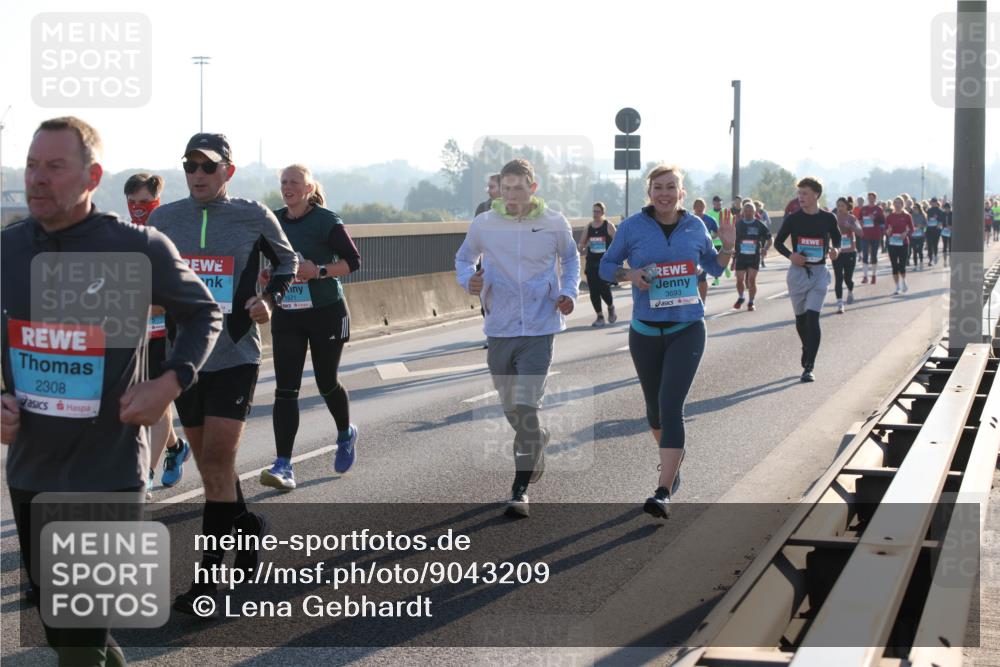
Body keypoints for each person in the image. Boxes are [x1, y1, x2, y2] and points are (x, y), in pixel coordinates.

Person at [2, 116, 221, 665]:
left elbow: (203, 314)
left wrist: (169, 382)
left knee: (78, 639)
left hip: (108, 469)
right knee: (66, 632)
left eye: (55, 167)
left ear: (92, 175)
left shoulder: (138, 247)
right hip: (31, 467)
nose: (37, 179)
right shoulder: (7, 250)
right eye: (32, 166)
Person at [149, 133, 298, 615]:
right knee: (213, 467)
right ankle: (248, 524)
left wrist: (268, 300)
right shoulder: (164, 219)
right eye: (190, 165)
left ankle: (207, 584)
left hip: (235, 356)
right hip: (184, 361)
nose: (197, 174)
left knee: (215, 463)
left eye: (207, 167)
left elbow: (288, 260)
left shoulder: (252, 215)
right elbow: (140, 272)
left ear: (227, 172)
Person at [600, 165, 736, 519]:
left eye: (671, 187)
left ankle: (663, 490)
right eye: (658, 187)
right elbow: (605, 266)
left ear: (682, 191)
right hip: (644, 331)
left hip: (687, 327)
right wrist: (629, 274)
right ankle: (674, 459)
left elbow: (715, 267)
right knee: (655, 413)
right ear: (650, 192)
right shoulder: (632, 227)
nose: (664, 193)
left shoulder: (695, 226)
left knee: (671, 405)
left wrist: (729, 247)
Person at [455, 158, 579, 518]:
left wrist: (568, 292)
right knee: (511, 405)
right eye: (506, 188)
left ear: (533, 188)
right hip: (500, 326)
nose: (511, 195)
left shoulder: (554, 223)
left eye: (518, 188)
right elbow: (464, 259)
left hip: (541, 326)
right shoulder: (485, 224)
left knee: (525, 407)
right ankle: (537, 438)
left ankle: (519, 489)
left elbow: (571, 261)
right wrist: (469, 281)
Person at [259, 164, 362, 491]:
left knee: (325, 380)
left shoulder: (325, 221)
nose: (288, 187)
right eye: (283, 182)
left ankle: (345, 433)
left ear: (308, 188)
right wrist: (268, 276)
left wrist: (316, 270)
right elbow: (268, 262)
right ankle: (284, 465)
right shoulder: (272, 221)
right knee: (285, 389)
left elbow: (353, 262)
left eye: (294, 182)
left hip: (326, 312)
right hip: (288, 313)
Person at [124, 173, 193, 500]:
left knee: (157, 401)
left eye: (144, 203)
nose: (138, 209)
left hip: (164, 334)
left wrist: (161, 304)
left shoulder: (171, 235)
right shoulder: (121, 235)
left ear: (157, 201)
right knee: (138, 405)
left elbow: (188, 286)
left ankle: (145, 478)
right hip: (130, 335)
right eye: (132, 203)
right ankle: (176, 447)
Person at [772, 177, 841, 383]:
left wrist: (836, 250)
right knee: (801, 320)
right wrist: (791, 256)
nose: (800, 198)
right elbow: (778, 242)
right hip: (797, 274)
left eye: (805, 194)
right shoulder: (793, 219)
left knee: (813, 318)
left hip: (819, 273)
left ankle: (809, 366)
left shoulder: (828, 218)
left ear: (816, 195)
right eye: (799, 193)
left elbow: (837, 238)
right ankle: (806, 346)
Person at [577, 201, 617, 326]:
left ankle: (610, 307)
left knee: (603, 287)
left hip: (604, 263)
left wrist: (614, 255)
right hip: (591, 263)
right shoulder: (589, 227)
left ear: (603, 213)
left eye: (598, 211)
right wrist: (583, 246)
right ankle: (599, 316)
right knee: (593, 290)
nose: (595, 214)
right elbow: (581, 244)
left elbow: (618, 242)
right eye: (594, 211)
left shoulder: (608, 226)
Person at [732, 199, 771, 311]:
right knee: (739, 280)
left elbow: (770, 239)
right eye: (746, 211)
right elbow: (732, 239)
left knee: (752, 279)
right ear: (743, 212)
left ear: (754, 212)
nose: (748, 213)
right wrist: (731, 251)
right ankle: (741, 297)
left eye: (750, 211)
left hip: (754, 257)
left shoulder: (759, 224)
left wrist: (765, 248)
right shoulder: (738, 225)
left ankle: (751, 302)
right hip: (741, 256)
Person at [832, 196, 862, 313]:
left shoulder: (852, 218)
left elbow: (861, 232)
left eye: (842, 206)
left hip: (850, 252)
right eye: (838, 206)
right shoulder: (833, 218)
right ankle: (840, 303)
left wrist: (851, 227)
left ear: (847, 207)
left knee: (847, 278)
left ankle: (850, 290)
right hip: (837, 252)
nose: (839, 208)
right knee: (838, 278)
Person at [885, 196, 914, 295]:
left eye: (899, 203)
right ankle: (897, 287)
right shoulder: (890, 217)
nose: (897, 205)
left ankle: (904, 281)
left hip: (903, 243)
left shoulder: (907, 216)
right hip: (892, 243)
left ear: (902, 204)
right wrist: (888, 232)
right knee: (894, 265)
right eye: (895, 203)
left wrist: (905, 233)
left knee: (902, 265)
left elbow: (911, 228)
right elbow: (886, 229)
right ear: (893, 204)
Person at [692, 198, 718, 303]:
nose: (700, 209)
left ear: (705, 207)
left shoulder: (710, 220)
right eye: (697, 207)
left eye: (702, 206)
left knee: (702, 278)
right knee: (692, 278)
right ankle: (692, 301)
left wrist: (710, 238)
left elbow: (716, 232)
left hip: (704, 253)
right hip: (691, 252)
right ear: (694, 208)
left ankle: (702, 302)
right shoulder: (689, 219)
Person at [858, 192, 886, 284]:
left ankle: (874, 275)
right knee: (865, 255)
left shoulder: (878, 209)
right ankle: (865, 276)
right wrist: (861, 223)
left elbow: (883, 222)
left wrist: (874, 218)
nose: (870, 199)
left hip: (875, 235)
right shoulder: (864, 209)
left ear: (875, 199)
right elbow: (859, 219)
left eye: (872, 197)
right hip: (865, 235)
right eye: (869, 197)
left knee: (874, 256)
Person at [925, 196, 945, 266]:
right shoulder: (928, 210)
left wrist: (939, 224)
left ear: (936, 203)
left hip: (936, 230)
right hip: (929, 230)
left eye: (934, 202)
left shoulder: (940, 211)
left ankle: (935, 255)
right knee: (929, 245)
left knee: (935, 244)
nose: (933, 203)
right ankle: (930, 259)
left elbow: (941, 221)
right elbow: (926, 219)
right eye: (932, 202)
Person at [909, 200, 927, 270]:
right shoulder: (910, 216)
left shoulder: (923, 215)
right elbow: (908, 224)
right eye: (913, 208)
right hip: (913, 236)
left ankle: (921, 263)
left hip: (920, 236)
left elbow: (926, 225)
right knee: (914, 251)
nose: (914, 209)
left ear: (919, 208)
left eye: (915, 207)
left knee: (920, 250)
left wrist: (921, 227)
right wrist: (912, 227)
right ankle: (915, 265)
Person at [754, 200, 772, 267]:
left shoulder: (764, 212)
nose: (756, 208)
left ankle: (762, 260)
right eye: (755, 206)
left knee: (763, 247)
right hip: (755, 232)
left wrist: (762, 224)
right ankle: (757, 259)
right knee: (757, 246)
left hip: (763, 232)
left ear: (760, 206)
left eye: (758, 206)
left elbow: (768, 221)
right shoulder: (752, 213)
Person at [941, 201, 953, 267]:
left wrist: (951, 227)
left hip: (951, 231)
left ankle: (950, 260)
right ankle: (945, 261)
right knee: (945, 246)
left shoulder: (953, 214)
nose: (946, 209)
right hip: (944, 231)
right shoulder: (942, 214)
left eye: (948, 208)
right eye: (945, 208)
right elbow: (940, 221)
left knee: (951, 247)